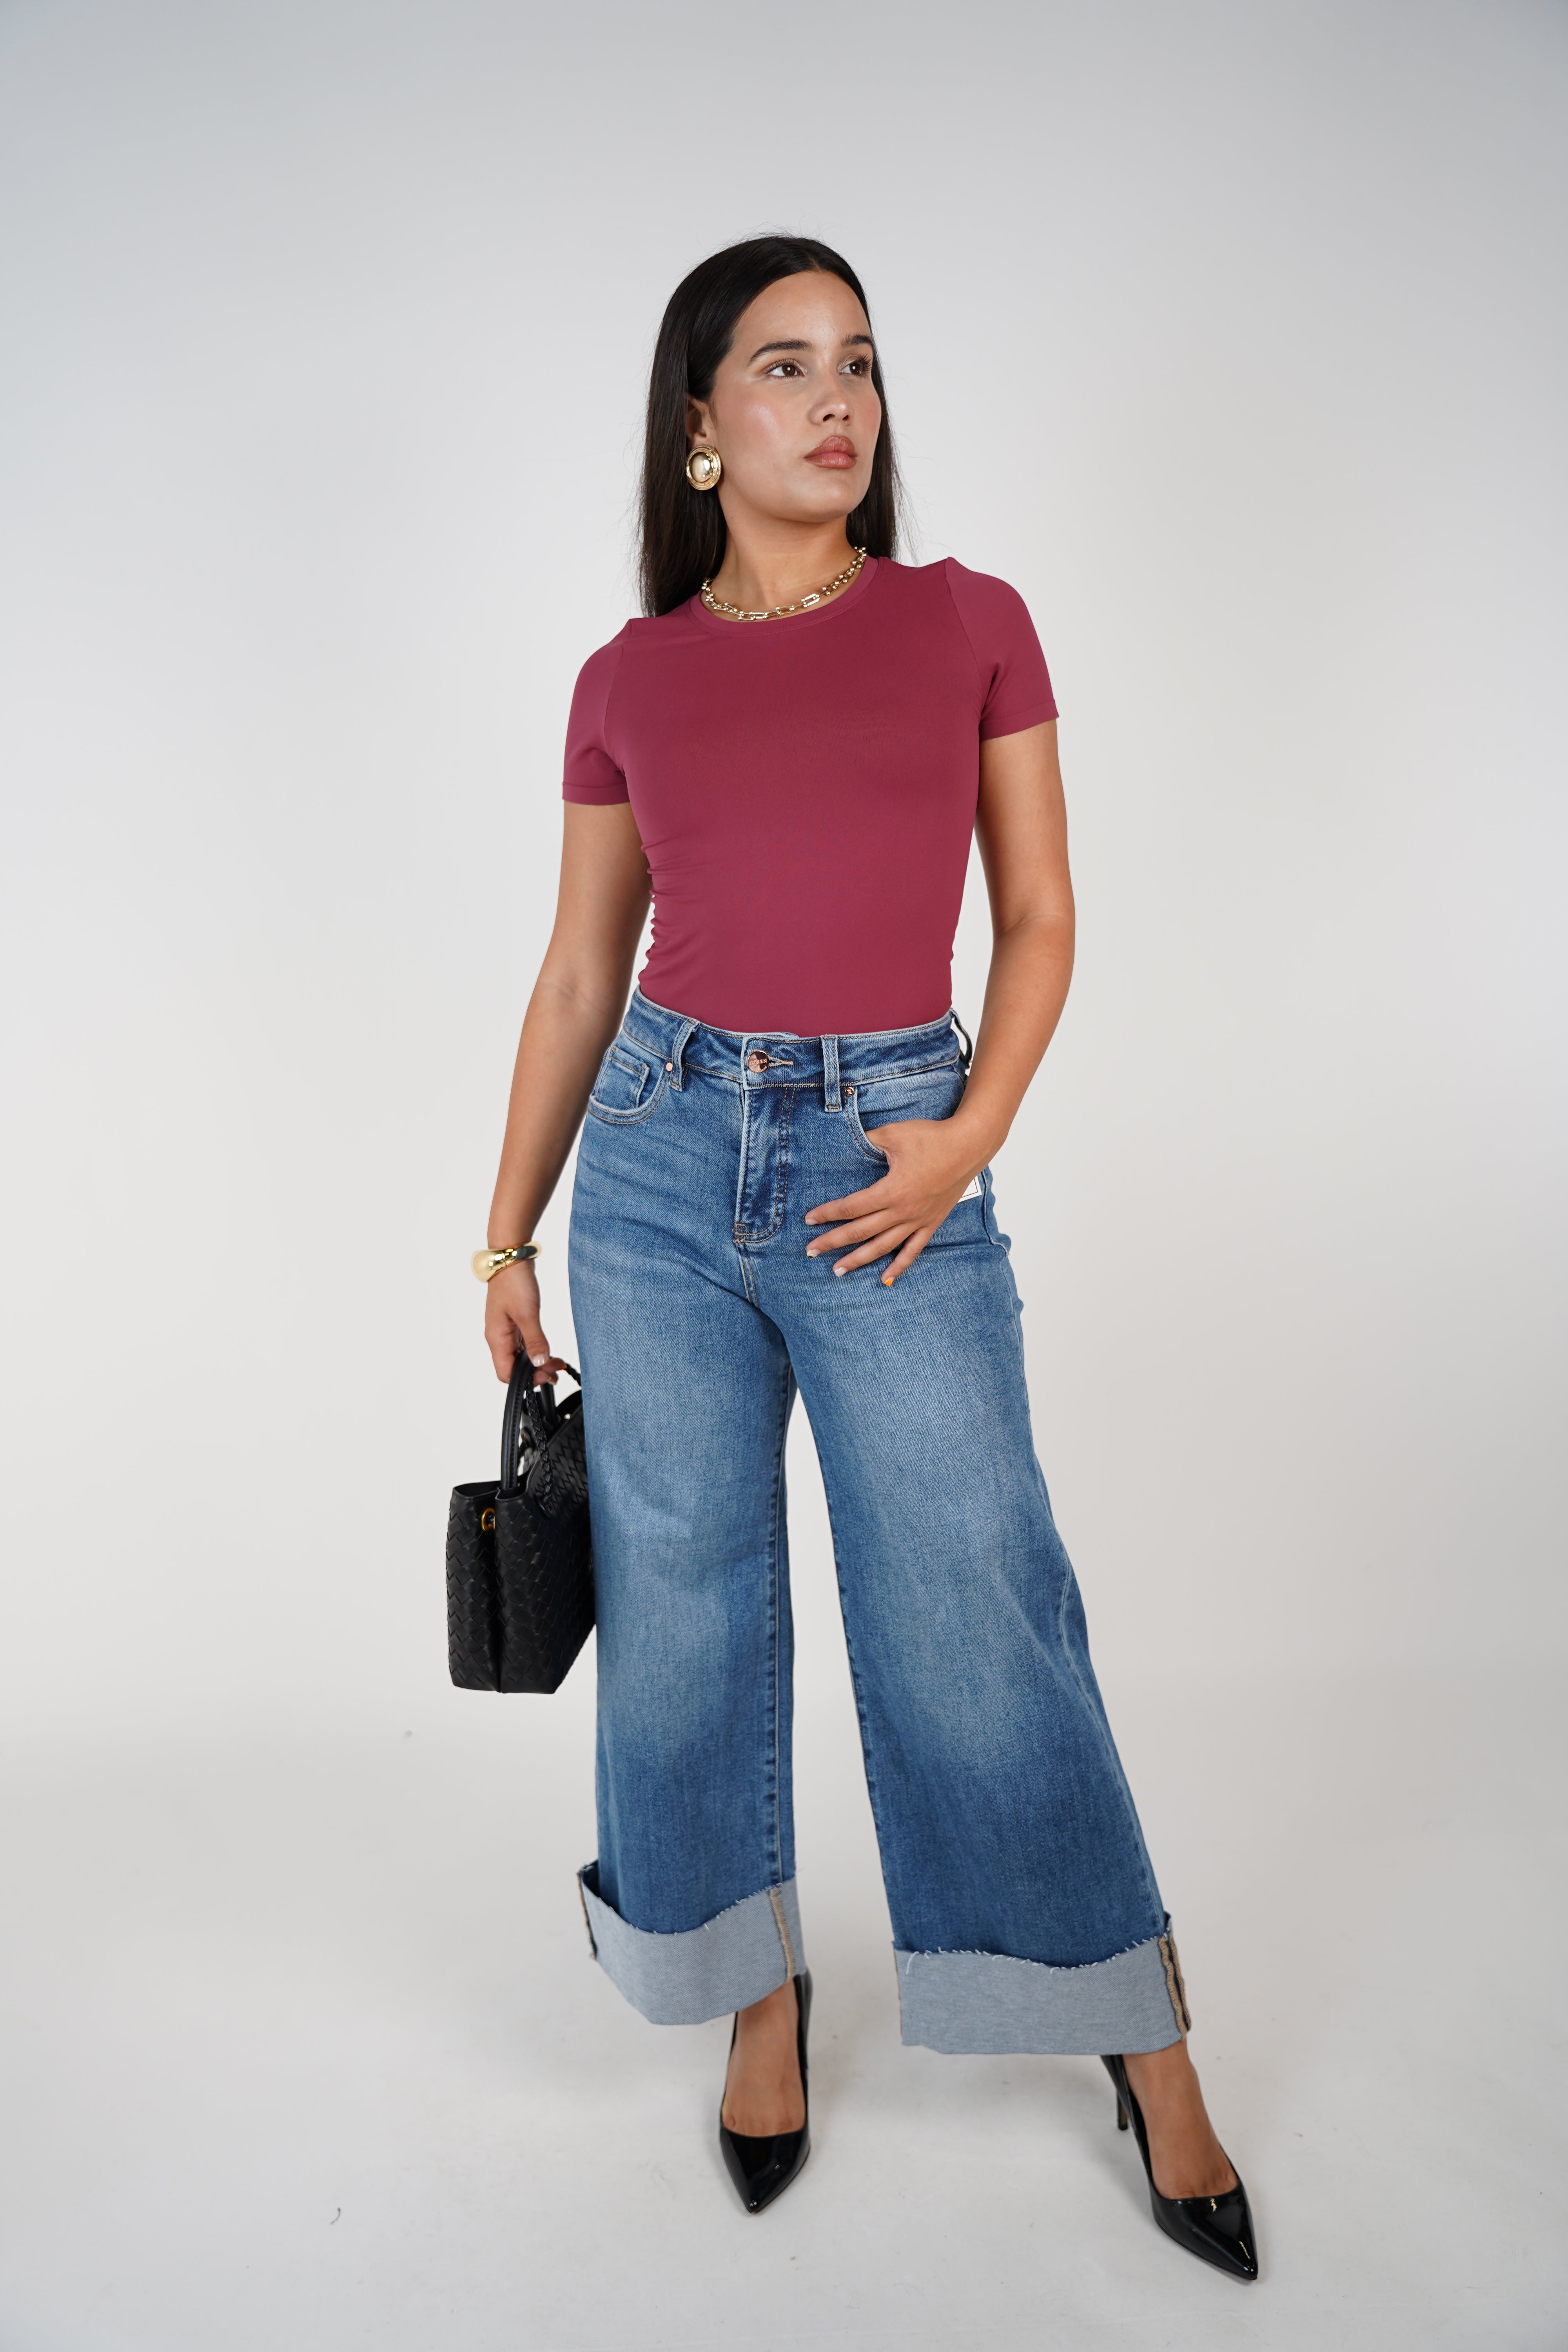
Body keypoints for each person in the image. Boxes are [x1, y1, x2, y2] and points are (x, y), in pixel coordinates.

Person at [478, 235, 1257, 2281]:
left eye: (861, 364)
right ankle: (758, 1999)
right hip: (655, 1164)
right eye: (785, 367)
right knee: (682, 1604)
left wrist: (967, 1139)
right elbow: (578, 971)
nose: (837, 401)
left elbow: (1044, 915)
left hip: (888, 1146)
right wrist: (503, 1231)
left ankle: (1140, 2025)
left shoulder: (966, 622)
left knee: (974, 1596)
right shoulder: (627, 678)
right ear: (700, 427)